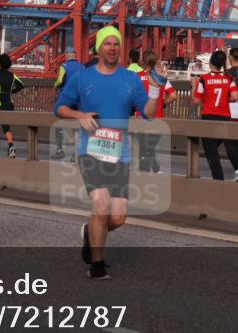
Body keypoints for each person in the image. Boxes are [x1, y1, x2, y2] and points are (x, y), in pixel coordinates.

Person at [55, 26, 161, 279]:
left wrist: (156, 89)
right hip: (90, 150)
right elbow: (59, 107)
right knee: (101, 208)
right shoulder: (82, 77)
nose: (112, 48)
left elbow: (149, 114)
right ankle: (97, 266)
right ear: (98, 48)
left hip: (119, 152)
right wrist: (79, 114)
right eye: (107, 43)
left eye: (116, 44)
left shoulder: (131, 79)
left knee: (118, 217)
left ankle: (90, 234)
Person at [192, 50, 238, 182]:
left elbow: (195, 100)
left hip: (209, 117)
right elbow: (235, 96)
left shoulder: (204, 79)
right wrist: (225, 99)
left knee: (211, 153)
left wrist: (193, 86)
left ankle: (219, 180)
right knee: (229, 143)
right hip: (225, 117)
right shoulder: (229, 78)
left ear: (211, 62)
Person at [136, 50, 177, 172]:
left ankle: (147, 175)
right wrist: (163, 104)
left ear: (143, 61)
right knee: (148, 148)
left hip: (140, 118)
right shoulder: (161, 77)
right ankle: (155, 169)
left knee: (144, 149)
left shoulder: (136, 77)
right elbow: (173, 96)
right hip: (158, 117)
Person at [0, 53, 25, 158]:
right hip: (8, 104)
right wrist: (12, 91)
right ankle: (11, 148)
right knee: (7, 128)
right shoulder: (12, 75)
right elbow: (21, 85)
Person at [52, 49, 83, 159]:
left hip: (66, 100)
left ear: (67, 56)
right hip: (78, 101)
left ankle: (60, 150)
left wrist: (55, 85)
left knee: (59, 124)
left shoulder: (64, 66)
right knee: (76, 127)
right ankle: (76, 153)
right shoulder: (82, 67)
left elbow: (60, 81)